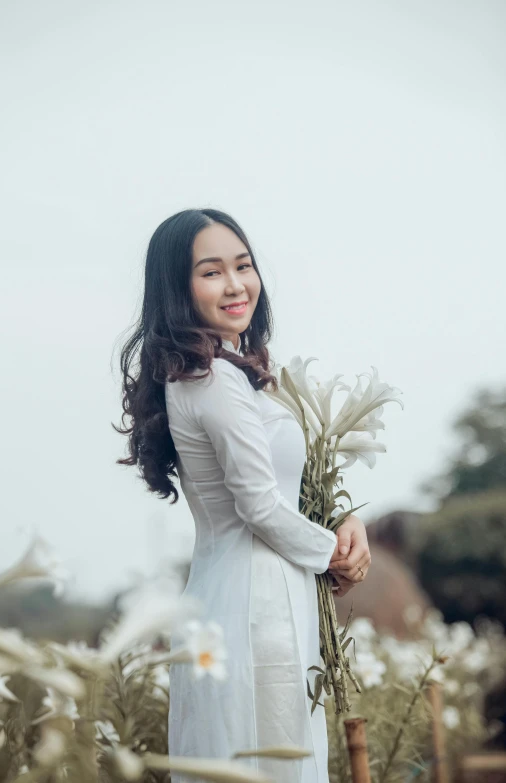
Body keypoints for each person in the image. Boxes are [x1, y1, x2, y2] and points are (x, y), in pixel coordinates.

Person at [116, 208, 371, 783]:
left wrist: (343, 518)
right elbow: (258, 506)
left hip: (244, 590)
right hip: (261, 604)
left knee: (251, 756)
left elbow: (279, 484)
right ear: (176, 289)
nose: (236, 285)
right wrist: (334, 554)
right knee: (269, 758)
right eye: (211, 272)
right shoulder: (211, 376)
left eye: (244, 265)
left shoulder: (217, 370)